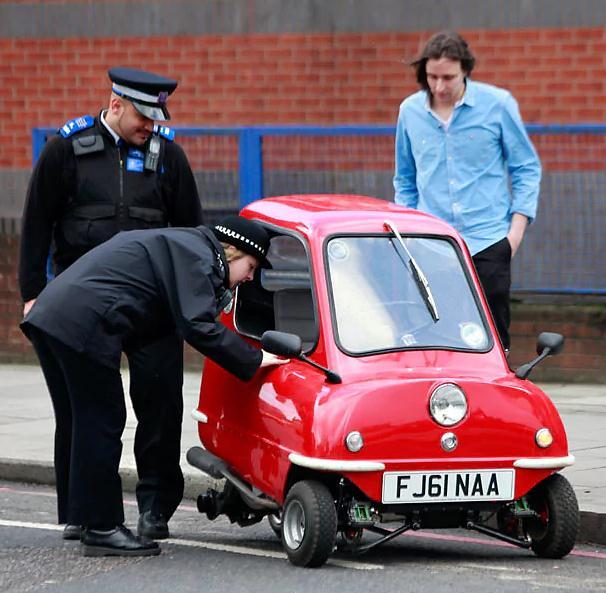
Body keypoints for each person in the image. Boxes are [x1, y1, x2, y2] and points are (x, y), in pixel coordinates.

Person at [20, 215, 288, 557]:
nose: (250, 277)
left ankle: (88, 520)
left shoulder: (186, 245)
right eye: (251, 266)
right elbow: (198, 325)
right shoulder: (200, 257)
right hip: (80, 324)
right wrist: (254, 359)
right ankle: (102, 528)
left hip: (55, 316)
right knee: (102, 421)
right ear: (233, 251)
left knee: (87, 422)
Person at [18, 67, 204, 541]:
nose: (151, 126)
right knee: (82, 411)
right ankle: (82, 511)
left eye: (157, 117)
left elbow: (190, 234)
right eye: (144, 116)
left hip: (152, 306)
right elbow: (37, 222)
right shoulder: (68, 151)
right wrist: (32, 294)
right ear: (116, 105)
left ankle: (155, 508)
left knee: (160, 404)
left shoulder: (169, 158)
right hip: (83, 307)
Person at [393, 31, 541, 351]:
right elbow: (404, 179)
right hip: (431, 243)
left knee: (493, 339)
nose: (440, 86)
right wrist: (409, 232)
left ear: (466, 72)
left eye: (449, 77)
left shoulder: (498, 105)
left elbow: (526, 168)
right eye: (432, 77)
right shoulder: (410, 112)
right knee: (436, 335)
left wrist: (513, 235)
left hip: (488, 239)